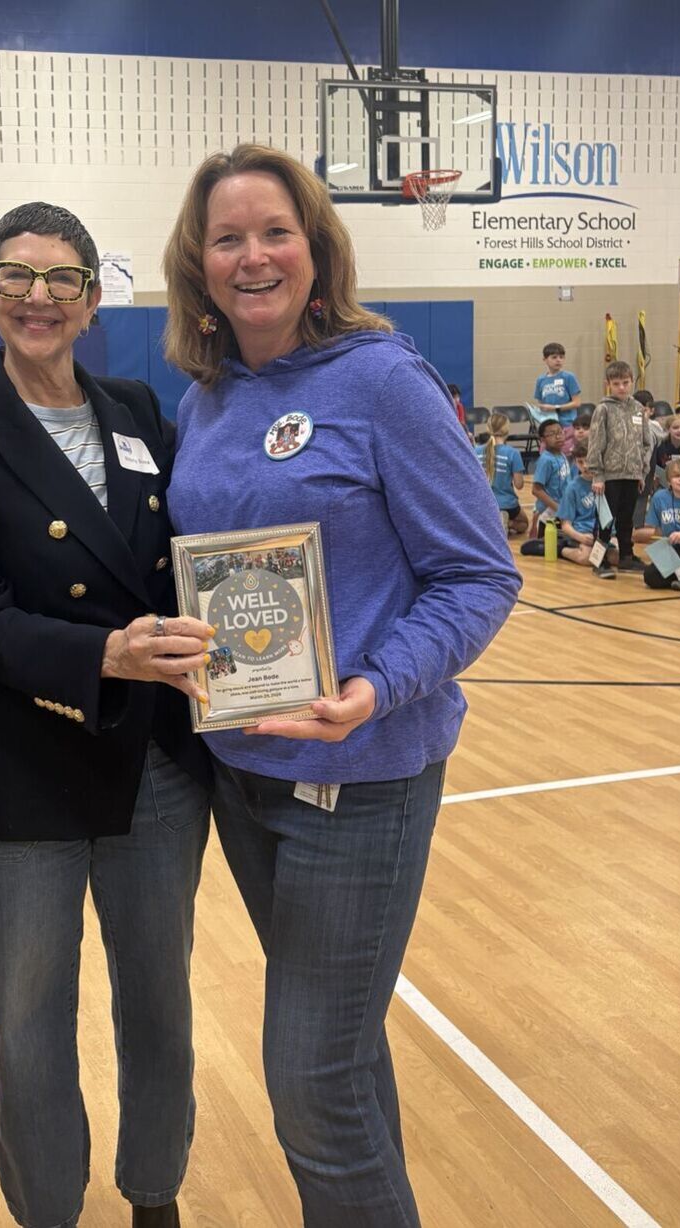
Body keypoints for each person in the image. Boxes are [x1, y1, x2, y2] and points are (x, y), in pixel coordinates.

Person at [161, 143, 520, 1228]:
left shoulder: (381, 379)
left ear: (317, 248)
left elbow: (478, 574)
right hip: (242, 772)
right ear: (197, 262)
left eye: (275, 232)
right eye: (227, 238)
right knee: (343, 1059)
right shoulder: (205, 396)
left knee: (310, 1082)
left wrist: (374, 686)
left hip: (359, 779)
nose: (252, 256)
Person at [0, 202, 212, 1228]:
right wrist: (105, 653)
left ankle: (154, 1192)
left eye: (63, 279)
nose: (40, 297)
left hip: (155, 768)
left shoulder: (135, 409)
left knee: (160, 1008)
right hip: (18, 775)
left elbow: (185, 565)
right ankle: (48, 1209)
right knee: (31, 1026)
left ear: (92, 298)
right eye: (17, 276)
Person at [587, 359, 652, 577]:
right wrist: (597, 475)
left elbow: (645, 442)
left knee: (627, 518)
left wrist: (641, 471)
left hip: (632, 474)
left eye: (625, 382)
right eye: (617, 384)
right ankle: (599, 560)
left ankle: (626, 556)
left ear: (632, 381)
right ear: (608, 384)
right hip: (609, 476)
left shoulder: (638, 409)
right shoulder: (603, 409)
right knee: (606, 519)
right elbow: (596, 443)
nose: (622, 387)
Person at [557, 444, 619, 571]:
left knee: (616, 559)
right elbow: (565, 525)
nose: (585, 466)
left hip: (605, 535)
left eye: (589, 461)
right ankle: (561, 550)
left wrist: (614, 537)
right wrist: (580, 537)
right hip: (583, 534)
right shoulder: (572, 488)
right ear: (575, 463)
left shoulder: (607, 484)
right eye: (580, 462)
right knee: (587, 558)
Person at [476, 411, 528, 535]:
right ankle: (506, 522)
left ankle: (490, 523)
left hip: (483, 503)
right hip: (507, 504)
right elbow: (519, 485)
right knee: (524, 524)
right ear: (506, 430)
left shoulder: (476, 451)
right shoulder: (513, 453)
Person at [642, 456, 680, 590]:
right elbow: (655, 530)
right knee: (650, 576)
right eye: (677, 476)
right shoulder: (659, 498)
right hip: (671, 551)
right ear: (669, 481)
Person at [533, 341, 581, 453]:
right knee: (547, 456)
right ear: (545, 360)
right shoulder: (541, 380)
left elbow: (577, 402)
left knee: (566, 456)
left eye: (561, 357)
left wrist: (555, 408)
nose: (558, 360)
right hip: (549, 425)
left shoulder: (569, 377)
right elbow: (541, 403)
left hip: (566, 424)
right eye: (554, 357)